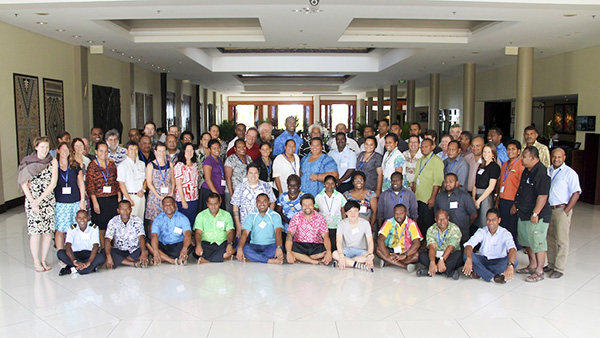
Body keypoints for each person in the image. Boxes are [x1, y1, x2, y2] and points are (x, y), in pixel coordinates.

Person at [18, 136, 58, 272]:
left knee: (47, 232)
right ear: (36, 147)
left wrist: (39, 200)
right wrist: (32, 201)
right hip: (32, 200)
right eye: (42, 147)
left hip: (47, 200)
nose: (44, 150)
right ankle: (36, 261)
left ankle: (43, 259)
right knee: (35, 232)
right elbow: (23, 183)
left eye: (47, 147)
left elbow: (53, 183)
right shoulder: (27, 162)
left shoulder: (53, 161)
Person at [513, 146, 551, 283]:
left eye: (524, 156)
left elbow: (543, 195)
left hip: (537, 216)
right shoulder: (527, 171)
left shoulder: (541, 172)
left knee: (538, 242)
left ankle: (539, 270)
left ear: (534, 158)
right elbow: (522, 190)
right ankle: (532, 265)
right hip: (523, 213)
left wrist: (535, 213)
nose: (522, 159)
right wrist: (516, 205)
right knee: (527, 241)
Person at [545, 147, 581, 279]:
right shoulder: (548, 171)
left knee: (561, 239)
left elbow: (576, 193)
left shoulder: (569, 173)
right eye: (554, 156)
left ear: (564, 158)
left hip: (561, 209)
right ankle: (551, 264)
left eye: (559, 157)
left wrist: (566, 211)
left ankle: (559, 268)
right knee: (550, 237)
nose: (556, 159)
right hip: (548, 209)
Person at [462, 209, 517, 284]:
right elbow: (469, 245)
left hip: (499, 261)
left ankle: (480, 273)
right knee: (466, 255)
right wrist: (469, 258)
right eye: (488, 220)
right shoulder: (481, 231)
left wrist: (510, 265)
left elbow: (512, 250)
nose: (490, 222)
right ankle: (492, 277)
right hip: (483, 260)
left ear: (499, 220)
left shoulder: (505, 233)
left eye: (493, 220)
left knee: (514, 261)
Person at [86, 141, 120, 247]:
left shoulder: (111, 164)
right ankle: (103, 248)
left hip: (112, 198)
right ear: (96, 151)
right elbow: (90, 186)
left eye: (106, 151)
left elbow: (117, 181)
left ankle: (113, 247)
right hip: (99, 199)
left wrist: (119, 197)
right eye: (101, 151)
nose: (103, 153)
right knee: (101, 226)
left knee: (112, 224)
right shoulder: (92, 166)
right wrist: (95, 202)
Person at [54, 142, 86, 251]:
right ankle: (61, 253)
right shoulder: (54, 166)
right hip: (60, 203)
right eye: (62, 149)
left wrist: (82, 200)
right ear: (58, 151)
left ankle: (74, 252)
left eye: (67, 150)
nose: (65, 152)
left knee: (75, 228)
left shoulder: (75, 165)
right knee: (61, 230)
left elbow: (81, 184)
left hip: (75, 202)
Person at [231, 163, 277, 238]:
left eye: (255, 173)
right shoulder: (240, 187)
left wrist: (268, 217)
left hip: (262, 224)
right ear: (247, 174)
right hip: (245, 225)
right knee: (243, 247)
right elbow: (235, 206)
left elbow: (272, 201)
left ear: (259, 174)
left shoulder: (266, 186)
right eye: (251, 173)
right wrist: (238, 226)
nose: (253, 176)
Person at [237, 194, 285, 264]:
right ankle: (269, 260)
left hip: (271, 245)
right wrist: (240, 248)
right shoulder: (251, 216)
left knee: (279, 248)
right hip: (254, 246)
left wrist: (278, 247)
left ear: (268, 202)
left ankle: (253, 258)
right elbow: (245, 234)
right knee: (241, 247)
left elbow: (278, 233)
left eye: (264, 201)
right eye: (259, 201)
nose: (262, 204)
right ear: (256, 203)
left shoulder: (275, 215)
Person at [286, 194, 332, 265]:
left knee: (326, 251)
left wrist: (329, 252)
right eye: (305, 205)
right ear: (301, 206)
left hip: (315, 246)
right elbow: (289, 235)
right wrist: (288, 253)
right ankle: (313, 261)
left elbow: (325, 236)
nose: (307, 207)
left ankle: (303, 258)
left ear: (313, 205)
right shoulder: (296, 217)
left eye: (310, 204)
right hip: (300, 245)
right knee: (289, 249)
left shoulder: (320, 218)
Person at [416, 210, 462, 279]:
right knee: (422, 255)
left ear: (448, 218)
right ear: (435, 219)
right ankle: (449, 272)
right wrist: (432, 262)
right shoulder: (431, 229)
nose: (442, 222)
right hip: (435, 256)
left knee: (458, 255)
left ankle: (429, 271)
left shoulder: (455, 229)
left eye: (444, 219)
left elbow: (451, 247)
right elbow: (432, 248)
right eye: (439, 219)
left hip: (449, 256)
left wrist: (442, 259)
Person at [495, 140, 524, 249]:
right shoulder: (505, 164)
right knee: (504, 225)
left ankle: (514, 248)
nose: (510, 151)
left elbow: (522, 187)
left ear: (518, 151)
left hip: (513, 201)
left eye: (513, 149)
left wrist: (516, 204)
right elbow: (501, 181)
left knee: (513, 227)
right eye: (508, 149)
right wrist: (497, 198)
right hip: (503, 199)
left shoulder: (521, 165)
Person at [412, 138, 444, 237]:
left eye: (426, 146)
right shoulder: (420, 161)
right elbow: (415, 178)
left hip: (428, 197)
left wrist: (433, 198)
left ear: (433, 147)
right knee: (419, 221)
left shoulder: (437, 161)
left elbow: (437, 182)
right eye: (422, 147)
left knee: (427, 222)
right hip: (418, 197)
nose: (423, 149)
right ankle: (420, 241)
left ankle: (427, 242)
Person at [57, 210, 105, 275]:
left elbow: (95, 246)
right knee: (60, 253)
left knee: (101, 257)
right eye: (79, 218)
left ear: (88, 218)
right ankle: (86, 267)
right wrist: (74, 261)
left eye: (84, 217)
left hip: (89, 254)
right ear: (76, 219)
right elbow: (68, 246)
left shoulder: (94, 228)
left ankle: (72, 269)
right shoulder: (71, 228)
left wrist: (89, 262)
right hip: (75, 255)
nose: (82, 220)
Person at [376, 204, 421, 271]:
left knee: (416, 256)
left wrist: (405, 255)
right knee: (378, 250)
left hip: (405, 251)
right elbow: (380, 240)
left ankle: (388, 262)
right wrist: (387, 255)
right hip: (390, 250)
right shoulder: (389, 222)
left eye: (401, 213)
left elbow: (417, 243)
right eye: (396, 214)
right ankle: (404, 266)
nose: (398, 216)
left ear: (406, 213)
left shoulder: (411, 224)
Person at [105, 200, 149, 269]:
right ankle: (133, 263)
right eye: (122, 209)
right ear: (118, 210)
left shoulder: (137, 220)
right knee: (105, 252)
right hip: (120, 250)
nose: (125, 212)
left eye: (127, 209)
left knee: (146, 246)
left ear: (131, 210)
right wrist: (108, 256)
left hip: (134, 249)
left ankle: (123, 260)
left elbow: (141, 237)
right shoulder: (113, 221)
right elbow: (107, 239)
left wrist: (143, 251)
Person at [435, 173, 478, 244]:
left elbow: (474, 215)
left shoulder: (465, 196)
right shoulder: (439, 196)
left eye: (451, 181)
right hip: (443, 238)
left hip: (461, 236)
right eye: (446, 181)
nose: (448, 183)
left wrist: (466, 225)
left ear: (457, 183)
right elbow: (436, 214)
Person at [332, 201, 375, 272]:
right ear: (346, 213)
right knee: (334, 254)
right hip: (346, 250)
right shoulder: (341, 224)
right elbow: (339, 241)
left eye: (355, 211)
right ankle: (358, 265)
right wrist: (341, 255)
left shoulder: (365, 223)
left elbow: (370, 241)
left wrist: (370, 255)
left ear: (358, 212)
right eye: (350, 211)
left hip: (361, 250)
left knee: (370, 256)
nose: (353, 214)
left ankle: (344, 262)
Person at [193, 193, 235, 263]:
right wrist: (199, 245)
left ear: (220, 203)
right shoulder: (201, 215)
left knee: (232, 248)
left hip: (222, 243)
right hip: (207, 244)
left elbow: (230, 231)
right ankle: (223, 256)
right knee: (197, 251)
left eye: (215, 204)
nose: (213, 207)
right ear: (207, 204)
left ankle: (206, 260)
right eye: (211, 204)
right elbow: (198, 233)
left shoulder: (226, 215)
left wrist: (229, 244)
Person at [149, 196, 192, 265]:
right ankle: (171, 260)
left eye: (170, 204)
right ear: (162, 207)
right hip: (163, 246)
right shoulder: (158, 219)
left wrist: (184, 249)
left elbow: (187, 234)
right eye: (166, 205)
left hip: (177, 246)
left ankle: (162, 258)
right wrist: (156, 251)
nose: (168, 207)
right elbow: (154, 235)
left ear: (175, 205)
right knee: (148, 243)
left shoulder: (182, 218)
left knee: (190, 245)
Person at [145, 142, 175, 233]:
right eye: (159, 151)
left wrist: (171, 192)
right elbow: (149, 183)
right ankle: (153, 241)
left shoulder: (170, 164)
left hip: (168, 195)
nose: (161, 153)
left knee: (169, 218)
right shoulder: (150, 165)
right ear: (155, 152)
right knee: (154, 221)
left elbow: (173, 180)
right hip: (155, 197)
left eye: (163, 151)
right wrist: (158, 196)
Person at [315, 175, 347, 252]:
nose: (330, 186)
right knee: (324, 246)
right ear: (324, 184)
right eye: (327, 183)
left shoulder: (340, 196)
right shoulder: (319, 197)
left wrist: (345, 224)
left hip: (337, 225)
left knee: (335, 246)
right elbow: (315, 212)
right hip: (323, 226)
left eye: (332, 183)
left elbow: (343, 211)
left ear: (335, 184)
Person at [472, 143, 500, 230]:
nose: (486, 154)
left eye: (488, 152)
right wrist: (474, 198)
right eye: (484, 152)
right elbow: (475, 183)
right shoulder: (481, 166)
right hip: (477, 195)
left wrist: (479, 200)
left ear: (493, 154)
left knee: (484, 222)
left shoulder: (494, 167)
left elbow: (491, 187)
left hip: (485, 197)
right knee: (476, 222)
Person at [117, 141, 147, 220]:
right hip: (130, 196)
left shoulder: (142, 164)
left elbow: (146, 180)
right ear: (127, 151)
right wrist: (128, 199)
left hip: (141, 196)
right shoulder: (122, 166)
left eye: (135, 149)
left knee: (140, 220)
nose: (134, 152)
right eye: (131, 149)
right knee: (129, 220)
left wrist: (143, 190)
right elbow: (121, 184)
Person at [173, 143, 200, 225]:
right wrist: (183, 201)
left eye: (191, 150)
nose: (189, 152)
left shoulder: (195, 165)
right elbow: (178, 184)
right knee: (184, 222)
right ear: (183, 152)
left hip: (194, 198)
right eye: (187, 150)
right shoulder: (180, 165)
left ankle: (190, 236)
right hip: (184, 199)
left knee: (192, 221)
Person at [275, 174, 304, 248]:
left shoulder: (303, 197)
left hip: (300, 228)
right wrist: (289, 222)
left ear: (299, 185)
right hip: (285, 227)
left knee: (297, 248)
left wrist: (296, 224)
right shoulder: (283, 196)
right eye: (290, 185)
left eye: (295, 185)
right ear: (287, 185)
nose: (292, 188)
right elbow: (278, 211)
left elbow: (307, 213)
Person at [200, 139, 227, 211]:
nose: (217, 150)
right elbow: (207, 179)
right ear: (209, 149)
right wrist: (216, 194)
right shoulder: (208, 161)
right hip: (210, 192)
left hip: (219, 190)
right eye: (214, 148)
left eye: (218, 147)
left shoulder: (219, 159)